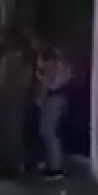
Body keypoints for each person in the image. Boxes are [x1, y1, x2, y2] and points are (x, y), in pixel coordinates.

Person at [35, 44, 73, 180]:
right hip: (62, 97)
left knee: (47, 131)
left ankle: (55, 167)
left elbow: (45, 84)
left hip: (52, 97)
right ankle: (54, 164)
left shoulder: (50, 65)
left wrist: (40, 99)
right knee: (52, 132)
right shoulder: (65, 65)